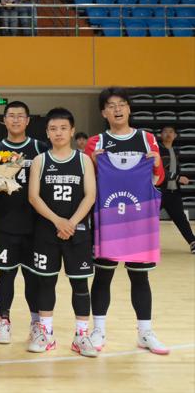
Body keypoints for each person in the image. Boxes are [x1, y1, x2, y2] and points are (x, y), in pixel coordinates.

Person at [84, 87, 168, 355]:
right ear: (103, 113)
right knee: (103, 276)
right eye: (111, 105)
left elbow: (159, 179)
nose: (117, 109)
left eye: (121, 104)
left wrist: (157, 163)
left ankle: (145, 332)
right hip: (107, 220)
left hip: (139, 222)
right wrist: (94, 164)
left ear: (129, 109)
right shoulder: (96, 143)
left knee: (140, 278)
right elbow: (88, 182)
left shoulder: (146, 139)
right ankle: (98, 330)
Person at [27, 107, 98, 357]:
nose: (58, 133)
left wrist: (71, 223)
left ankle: (81, 336)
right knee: (46, 283)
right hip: (47, 232)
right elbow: (34, 197)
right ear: (47, 132)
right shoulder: (40, 161)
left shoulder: (83, 160)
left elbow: (90, 195)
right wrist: (58, 221)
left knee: (80, 284)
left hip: (77, 232)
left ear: (72, 131)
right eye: (53, 129)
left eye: (63, 128)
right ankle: (46, 334)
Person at [0, 101, 47, 345]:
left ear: (28, 120)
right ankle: (3, 321)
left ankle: (36, 323)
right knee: (6, 275)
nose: (15, 120)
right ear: (4, 120)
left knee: (33, 277)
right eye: (11, 116)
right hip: (5, 224)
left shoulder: (39, 148)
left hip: (35, 225)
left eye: (20, 116)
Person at [157, 125, 195, 251]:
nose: (168, 134)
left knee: (181, 219)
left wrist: (178, 181)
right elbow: (159, 171)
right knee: (147, 220)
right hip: (158, 192)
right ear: (161, 135)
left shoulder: (175, 151)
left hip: (174, 192)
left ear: (175, 136)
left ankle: (192, 242)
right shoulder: (157, 150)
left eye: (171, 132)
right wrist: (178, 178)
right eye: (165, 132)